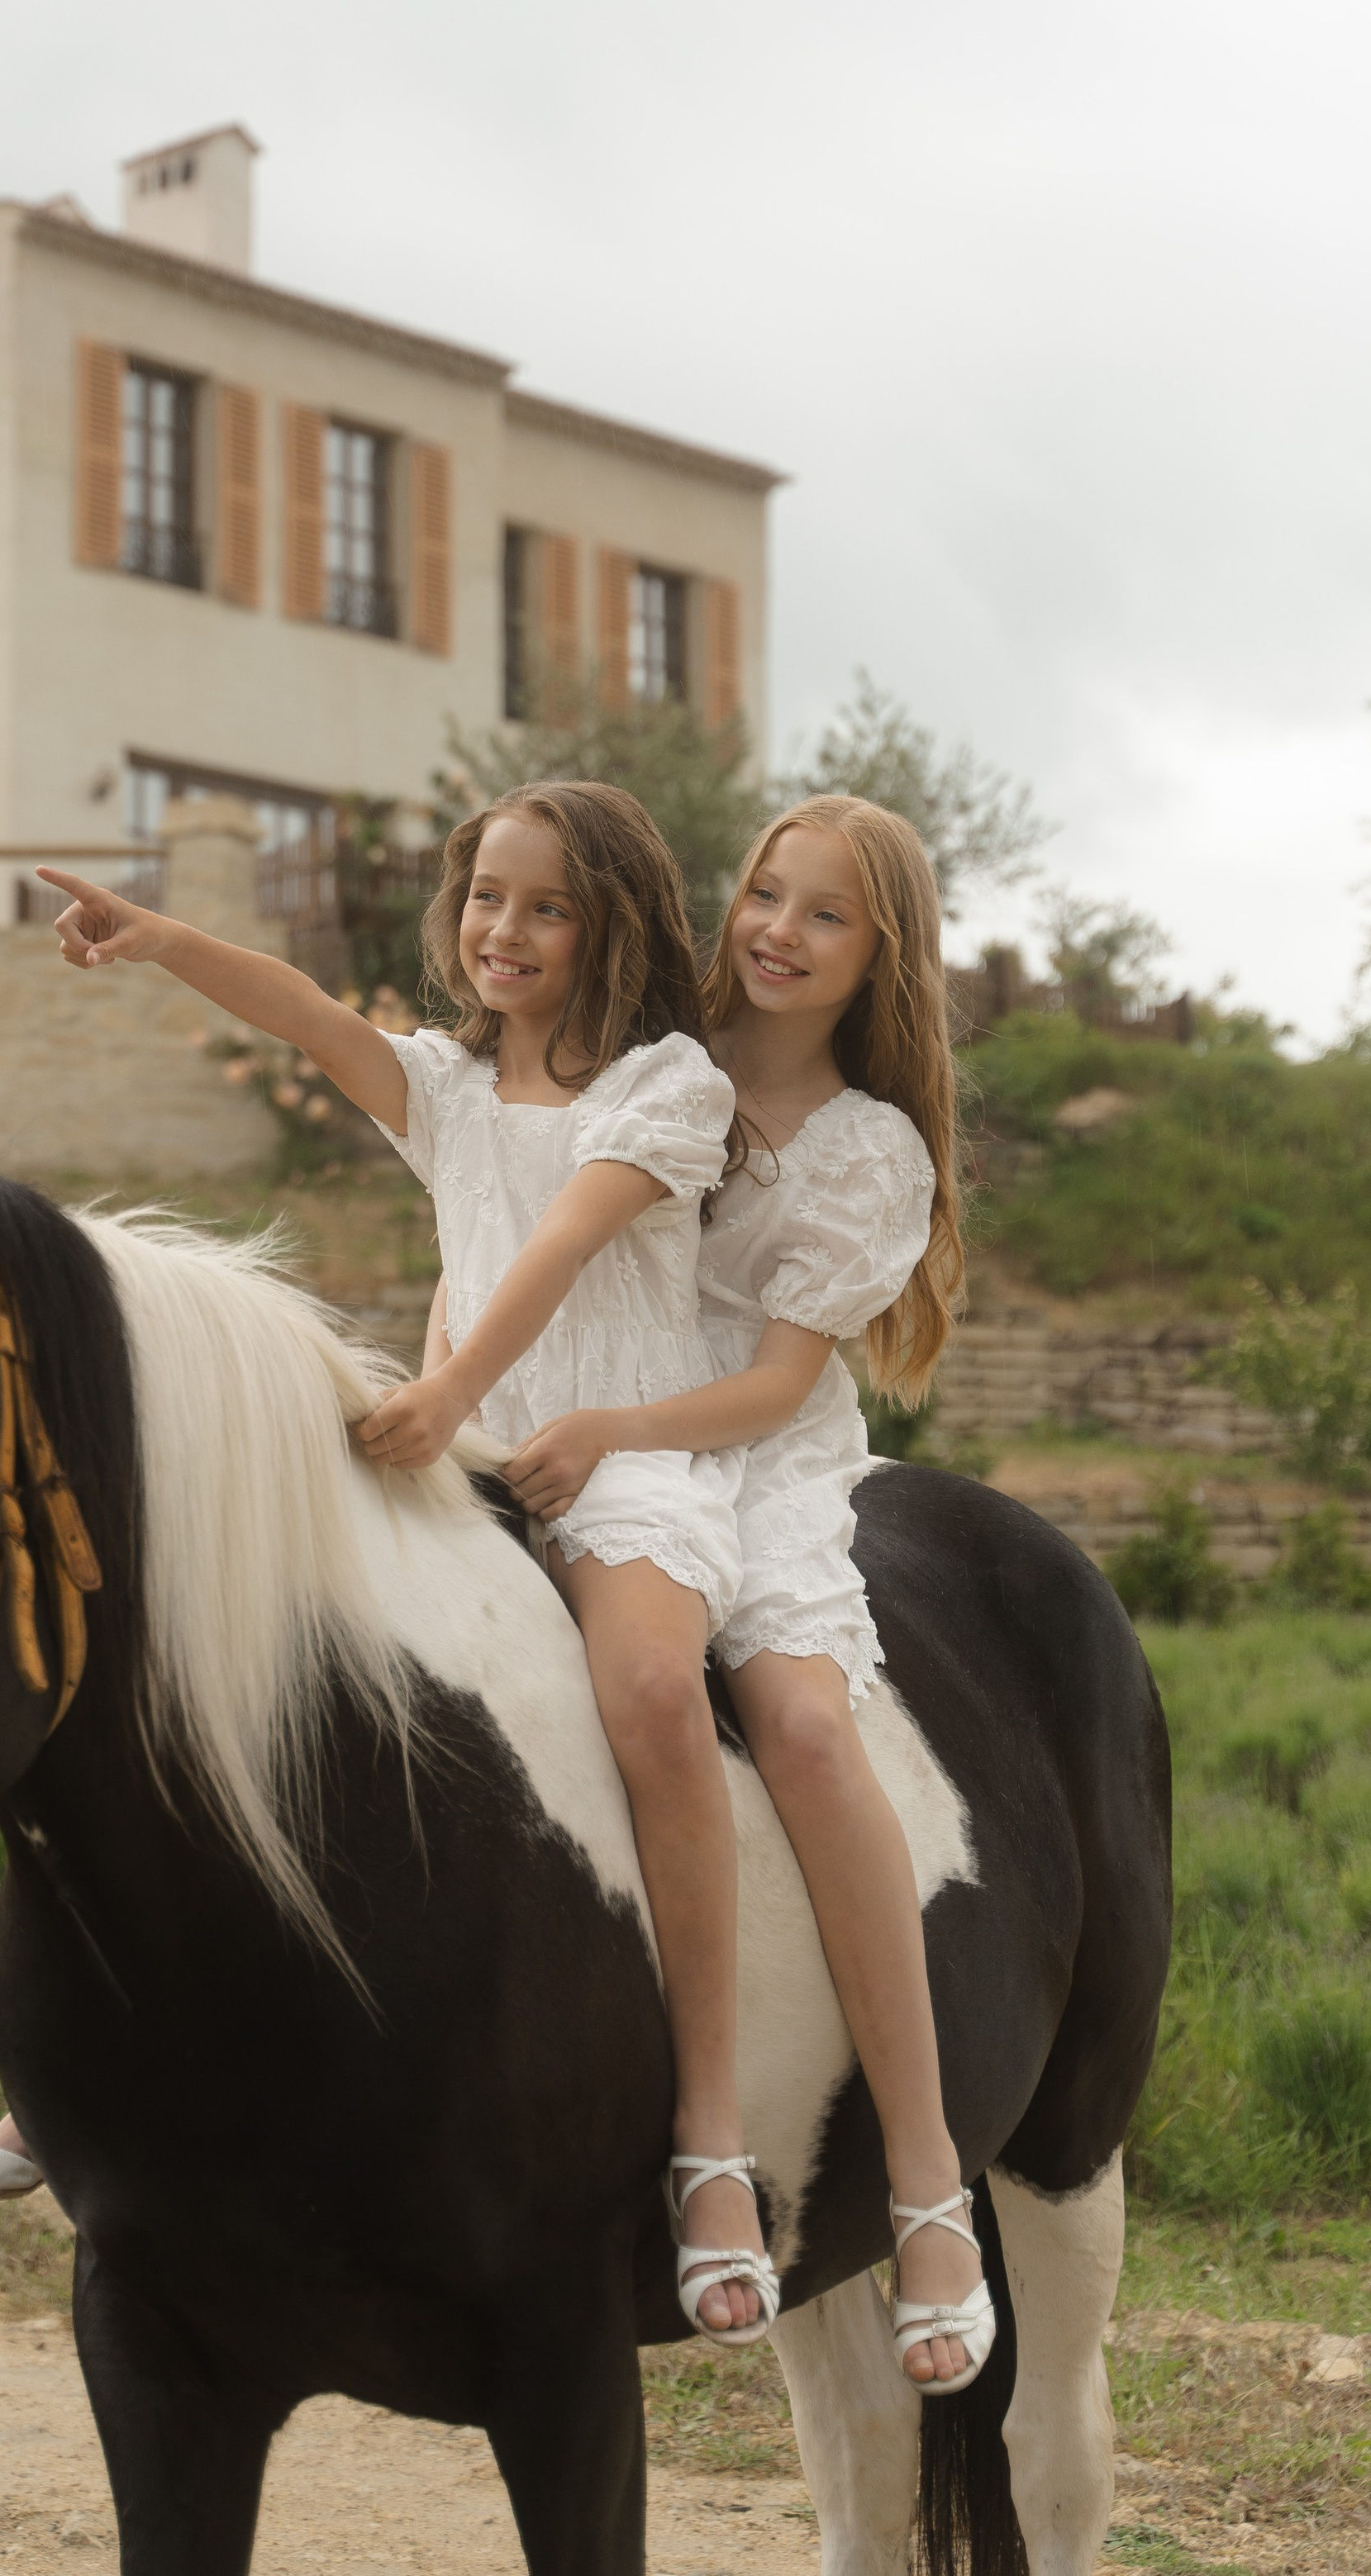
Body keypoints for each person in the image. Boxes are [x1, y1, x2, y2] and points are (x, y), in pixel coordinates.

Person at [0, 779, 781, 2345]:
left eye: (544, 906)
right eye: (485, 899)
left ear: (615, 925)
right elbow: (310, 1015)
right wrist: (158, 934)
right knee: (246, 1662)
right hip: (455, 1452)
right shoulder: (447, 1083)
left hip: (615, 1460)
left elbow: (563, 1246)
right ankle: (67, 2088)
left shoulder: (668, 1085)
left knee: (656, 1693)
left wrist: (450, 1388)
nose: (501, 931)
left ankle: (712, 2139)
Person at [498, 795, 992, 2393]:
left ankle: (927, 2181)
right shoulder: (659, 1054)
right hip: (585, 1401)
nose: (777, 928)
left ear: (880, 957)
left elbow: (778, 1388)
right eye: (766, 894)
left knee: (799, 1720)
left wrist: (606, 1433)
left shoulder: (869, 1152)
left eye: (825, 916)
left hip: (745, 1453)